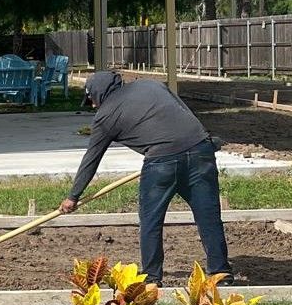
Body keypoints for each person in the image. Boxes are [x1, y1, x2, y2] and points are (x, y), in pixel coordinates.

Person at [59, 71, 231, 284]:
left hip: (162, 163)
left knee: (151, 221)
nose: (93, 106)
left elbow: (91, 159)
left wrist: (73, 196)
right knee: (208, 216)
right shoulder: (151, 85)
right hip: (201, 152)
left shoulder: (105, 117)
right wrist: (205, 138)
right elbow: (182, 110)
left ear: (99, 94)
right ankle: (221, 273)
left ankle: (152, 277)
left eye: (91, 100)